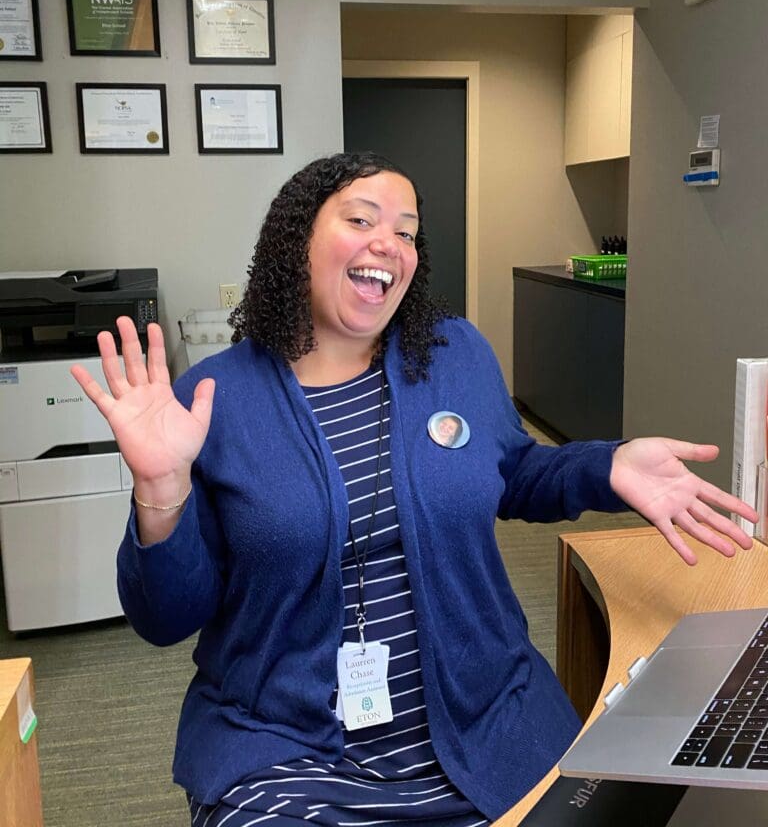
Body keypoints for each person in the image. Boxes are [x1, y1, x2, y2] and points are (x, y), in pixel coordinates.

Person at [71, 152, 757, 827]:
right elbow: (163, 619)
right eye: (362, 219)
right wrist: (161, 491)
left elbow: (513, 475)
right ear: (296, 240)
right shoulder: (215, 398)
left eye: (406, 230)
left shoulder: (454, 356)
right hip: (288, 750)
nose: (388, 243)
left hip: (484, 717)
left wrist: (605, 466)